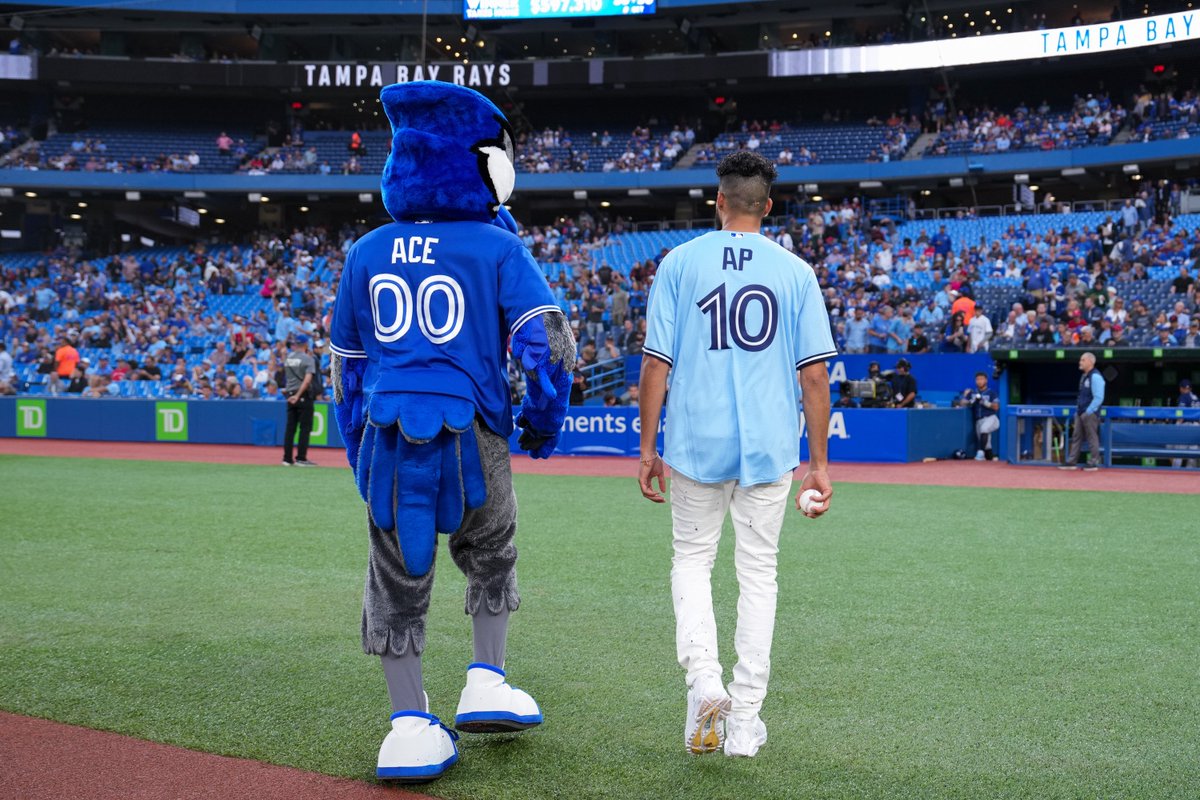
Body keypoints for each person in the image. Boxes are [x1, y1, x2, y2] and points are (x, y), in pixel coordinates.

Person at [637, 151, 836, 759]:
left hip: (696, 445)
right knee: (759, 575)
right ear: (767, 206)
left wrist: (647, 449)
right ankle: (745, 719)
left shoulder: (679, 262)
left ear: (718, 200)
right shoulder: (796, 271)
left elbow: (654, 365)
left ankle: (704, 681)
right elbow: (816, 376)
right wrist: (820, 462)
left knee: (692, 563)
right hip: (770, 448)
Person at [1060, 351, 1105, 471]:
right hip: (1080, 412)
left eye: (1083, 360)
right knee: (1076, 436)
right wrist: (1078, 410)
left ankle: (1093, 462)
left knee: (1092, 437)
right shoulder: (1085, 376)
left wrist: (1088, 411)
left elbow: (1099, 397)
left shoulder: (1095, 376)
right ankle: (1072, 461)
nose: (1080, 362)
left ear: (1090, 362)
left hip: (1090, 414)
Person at [281, 334, 317, 466]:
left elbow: (287, 377)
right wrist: (299, 394)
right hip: (302, 395)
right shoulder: (308, 359)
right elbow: (307, 380)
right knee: (305, 428)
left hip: (289, 394)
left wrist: (292, 394)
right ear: (306, 344)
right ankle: (301, 458)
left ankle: (287, 458)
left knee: (290, 428)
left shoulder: (288, 358)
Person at [962, 371, 1000, 460]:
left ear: (986, 380)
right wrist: (968, 399)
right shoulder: (972, 392)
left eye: (981, 379)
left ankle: (980, 452)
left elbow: (996, 407)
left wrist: (984, 402)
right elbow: (962, 402)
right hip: (979, 420)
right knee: (986, 445)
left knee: (984, 429)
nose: (979, 381)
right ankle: (990, 459)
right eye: (978, 379)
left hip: (991, 418)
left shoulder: (991, 393)